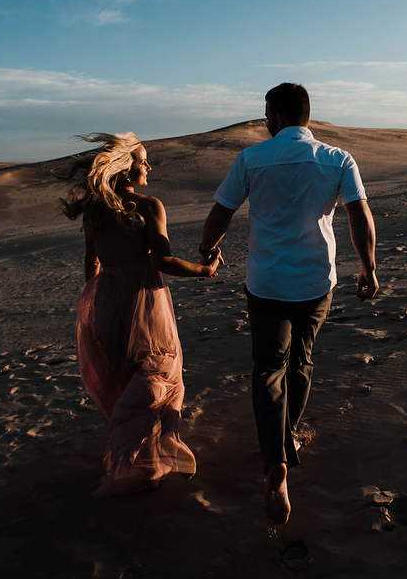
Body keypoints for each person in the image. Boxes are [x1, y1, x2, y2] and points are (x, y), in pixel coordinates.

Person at [198, 83, 378, 524]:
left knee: (267, 367)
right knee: (302, 360)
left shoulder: (252, 159)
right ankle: (290, 435)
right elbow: (358, 213)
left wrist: (207, 249)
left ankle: (275, 464)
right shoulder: (337, 159)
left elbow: (222, 211)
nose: (264, 121)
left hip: (266, 283)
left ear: (276, 117)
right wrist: (369, 266)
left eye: (266, 114)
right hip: (317, 281)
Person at [61, 132, 223, 497]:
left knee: (125, 376)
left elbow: (92, 263)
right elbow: (164, 260)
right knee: (161, 369)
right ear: (124, 169)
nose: (148, 167)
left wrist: (99, 301)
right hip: (146, 300)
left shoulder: (94, 209)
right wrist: (206, 270)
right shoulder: (149, 206)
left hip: (108, 299)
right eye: (143, 161)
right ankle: (157, 445)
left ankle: (150, 454)